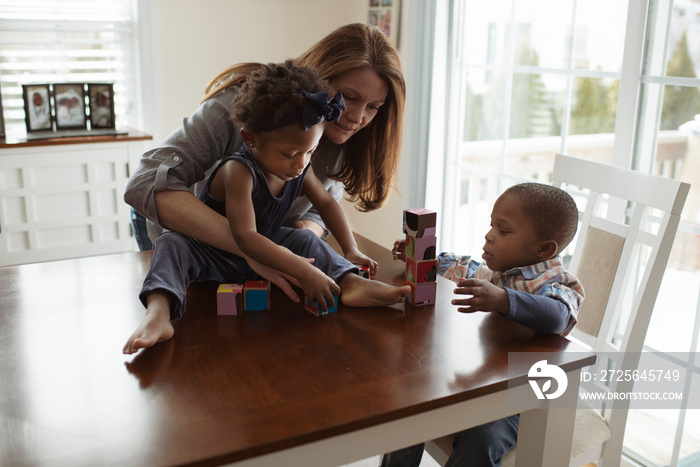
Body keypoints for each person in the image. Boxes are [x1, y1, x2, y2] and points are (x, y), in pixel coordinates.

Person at [123, 61, 410, 355]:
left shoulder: (301, 164)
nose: (301, 163)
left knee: (304, 238)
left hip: (266, 254)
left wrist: (350, 249)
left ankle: (350, 282)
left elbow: (324, 202)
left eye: (310, 152)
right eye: (291, 153)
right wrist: (301, 268)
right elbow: (246, 236)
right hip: (216, 253)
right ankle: (158, 315)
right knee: (171, 243)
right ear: (251, 139)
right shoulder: (239, 171)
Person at [383, 182, 585, 467]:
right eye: (492, 226)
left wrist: (504, 300)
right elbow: (459, 267)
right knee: (413, 397)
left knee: (483, 436)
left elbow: (556, 316)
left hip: (526, 398)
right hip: (482, 381)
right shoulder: (498, 271)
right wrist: (422, 256)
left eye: (503, 230)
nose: (489, 236)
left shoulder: (555, 281)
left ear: (544, 249)